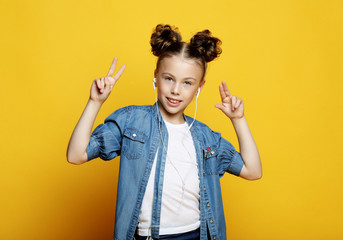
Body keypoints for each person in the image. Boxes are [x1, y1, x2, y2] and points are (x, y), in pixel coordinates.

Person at [67, 24, 262, 240]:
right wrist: (95, 102)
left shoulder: (205, 137)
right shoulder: (132, 122)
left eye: (187, 83)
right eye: (169, 78)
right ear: (156, 76)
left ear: (199, 87)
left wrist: (239, 120)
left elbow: (252, 171)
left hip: (196, 235)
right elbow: (76, 155)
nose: (176, 90)